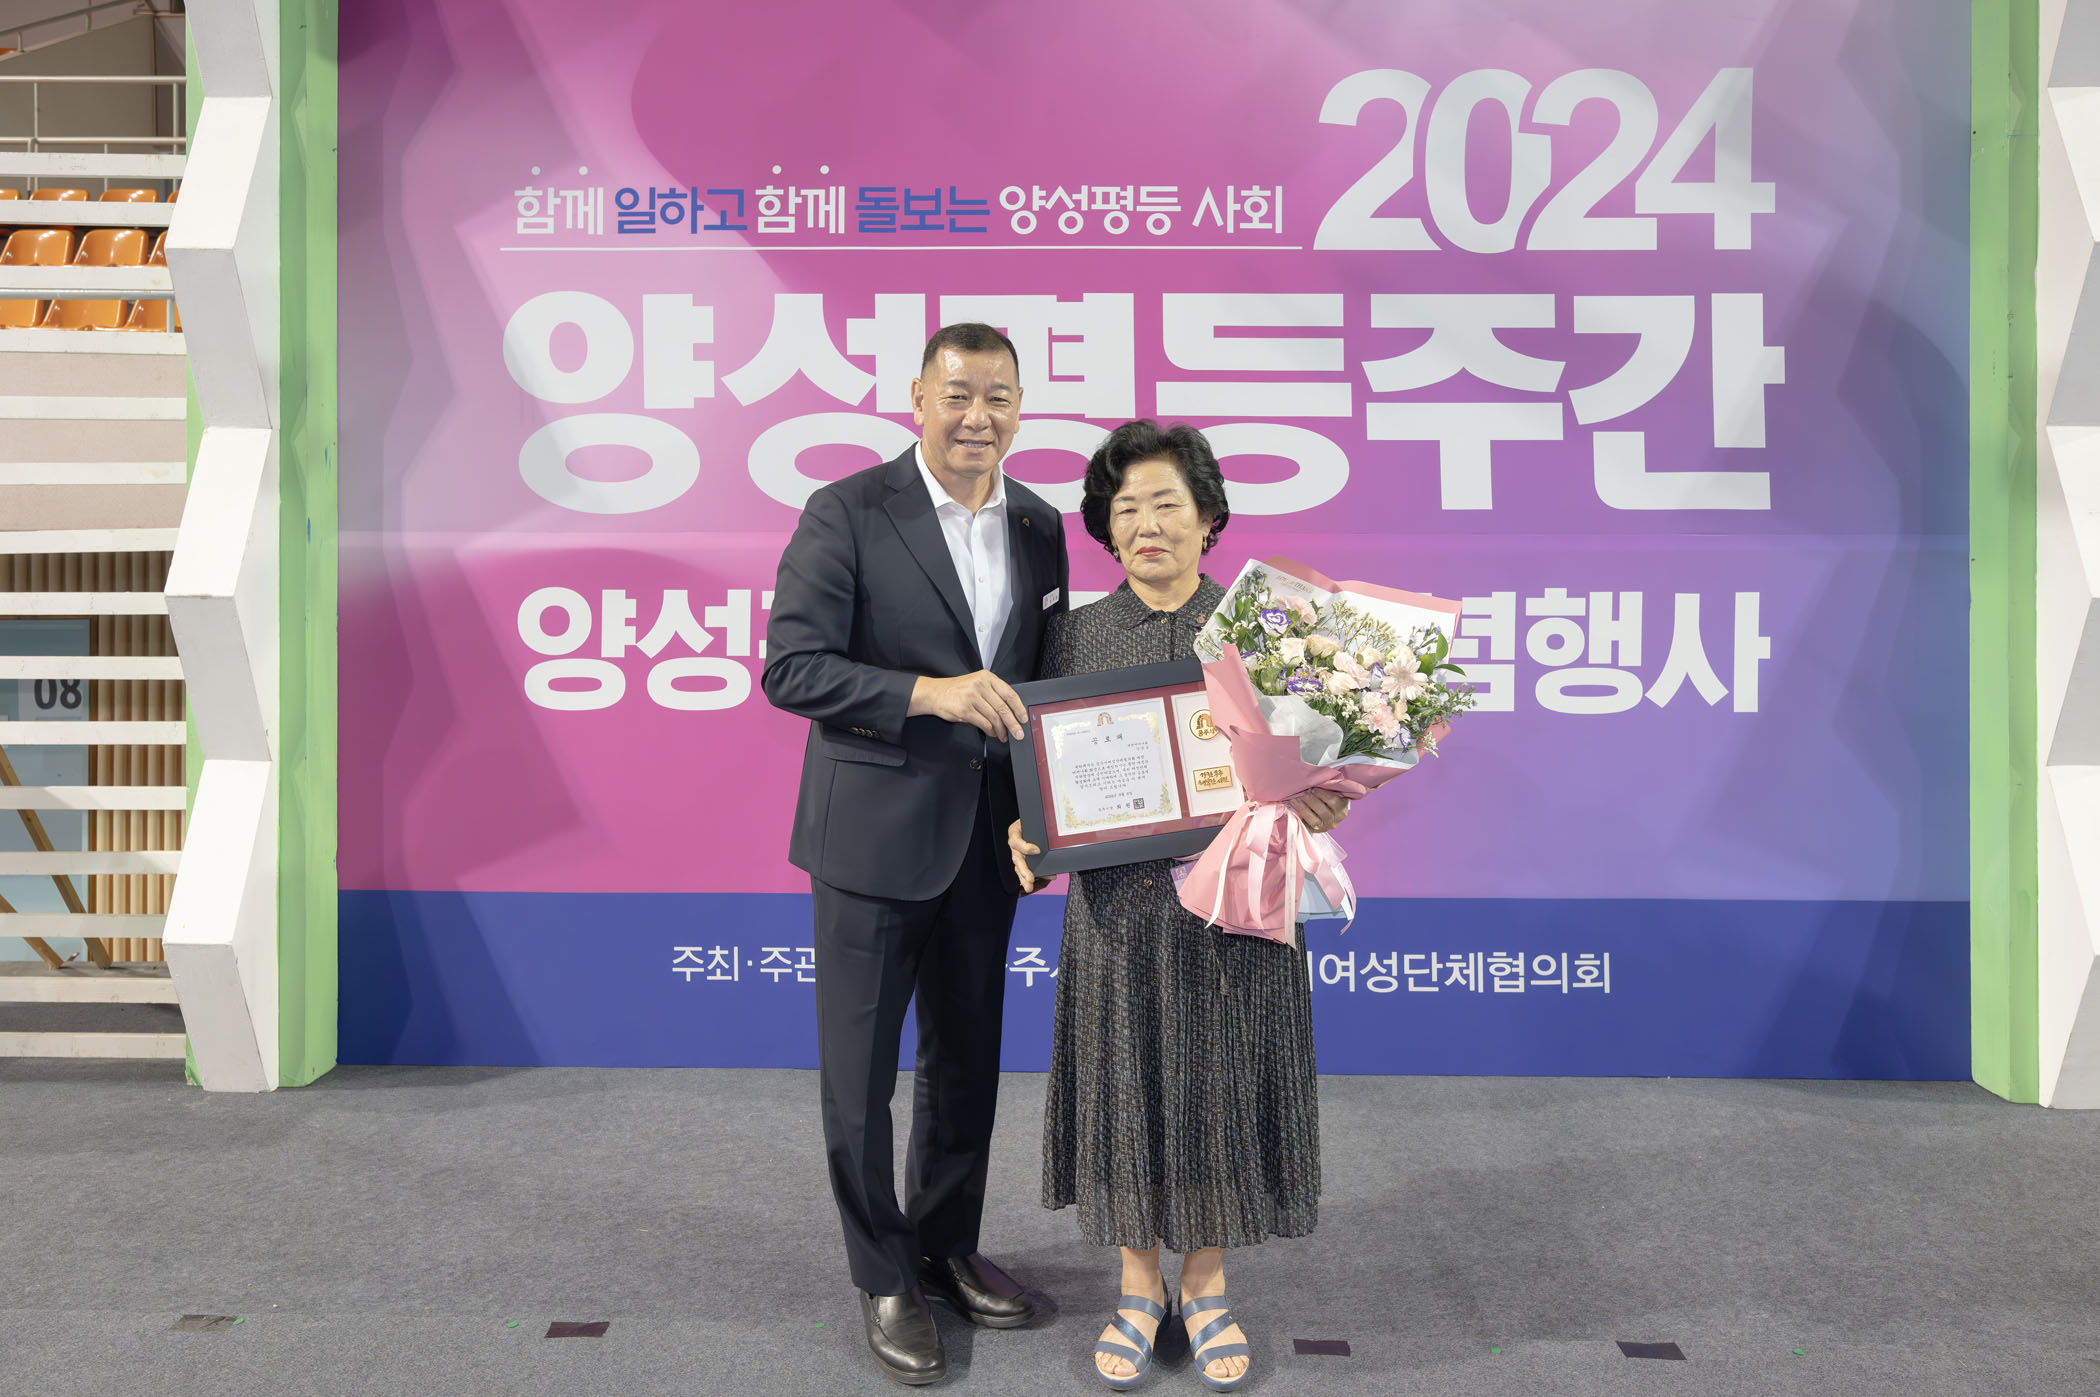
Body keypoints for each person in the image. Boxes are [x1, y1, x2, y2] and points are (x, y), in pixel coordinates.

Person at [1007, 420, 1347, 1393]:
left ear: (1208, 518)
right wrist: (1030, 832)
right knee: (1125, 1083)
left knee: (1220, 1083)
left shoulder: (1265, 634)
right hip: (1117, 912)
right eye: (1126, 508)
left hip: (1236, 909)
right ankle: (1135, 1285)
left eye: (1167, 502)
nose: (1146, 523)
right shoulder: (1072, 635)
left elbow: (1312, 768)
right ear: (1105, 528)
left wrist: (1323, 795)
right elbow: (1039, 771)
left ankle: (1206, 1283)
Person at [763, 323, 1070, 1386]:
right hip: (870, 838)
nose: (978, 416)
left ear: (1021, 406)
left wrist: (1048, 819)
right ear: (917, 399)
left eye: (999, 396)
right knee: (859, 1079)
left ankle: (944, 1245)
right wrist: (927, 693)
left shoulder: (1038, 524)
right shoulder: (848, 510)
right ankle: (883, 1270)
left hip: (989, 840)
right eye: (958, 394)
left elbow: (1040, 687)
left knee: (967, 1063)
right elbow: (793, 668)